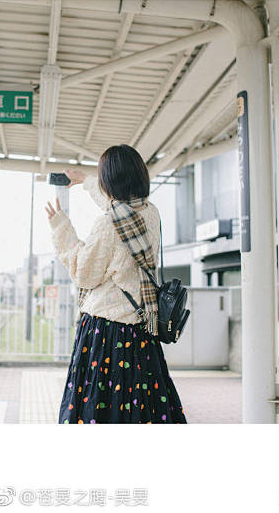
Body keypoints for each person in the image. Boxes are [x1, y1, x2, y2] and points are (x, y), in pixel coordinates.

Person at [45, 146, 187, 425]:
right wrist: (85, 181)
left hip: (107, 334)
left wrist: (61, 227)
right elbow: (117, 210)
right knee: (140, 407)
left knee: (102, 407)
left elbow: (84, 273)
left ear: (109, 181)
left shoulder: (107, 225)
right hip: (142, 329)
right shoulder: (150, 213)